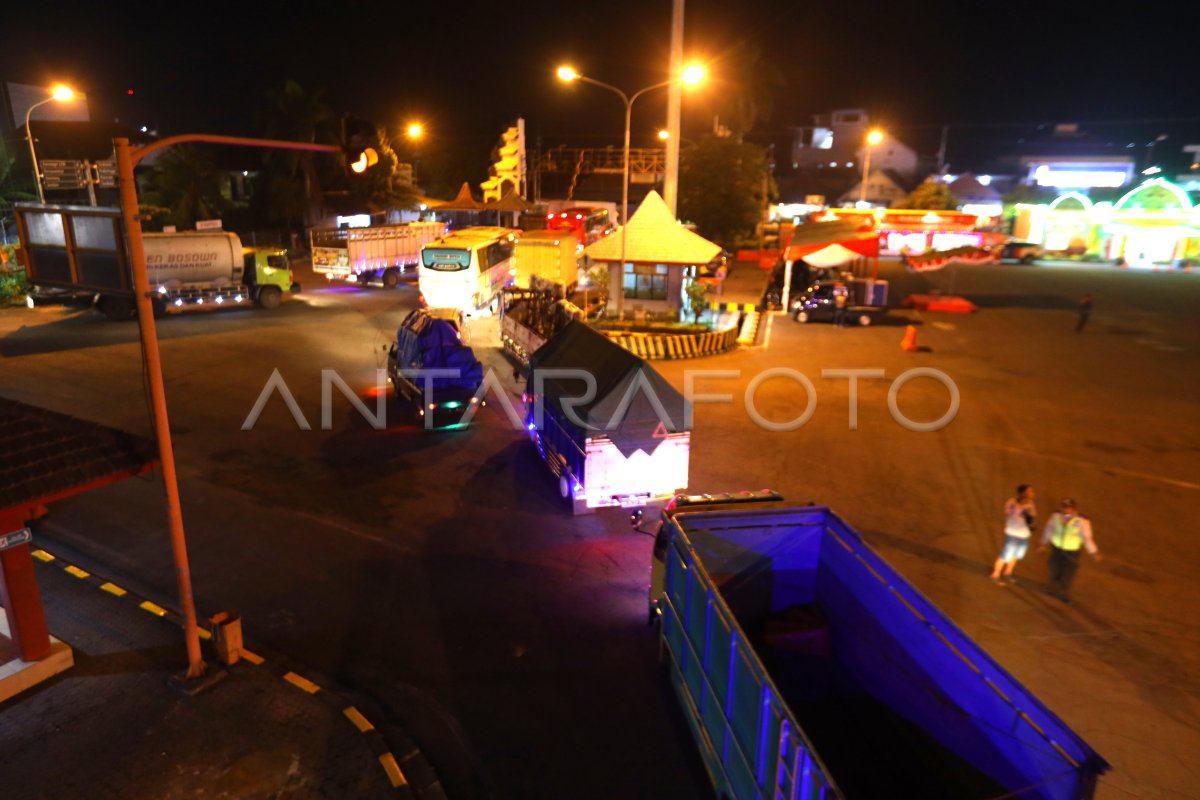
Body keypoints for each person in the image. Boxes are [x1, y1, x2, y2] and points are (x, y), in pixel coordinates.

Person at [1038, 499, 1102, 603]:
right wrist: (1043, 544)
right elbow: (1049, 530)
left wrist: (1093, 552)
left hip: (1072, 552)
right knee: (1053, 568)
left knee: (1068, 573)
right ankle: (1051, 587)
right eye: (1064, 507)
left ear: (1074, 510)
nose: (1066, 511)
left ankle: (1063, 592)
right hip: (1057, 549)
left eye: (1069, 508)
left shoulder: (1082, 521)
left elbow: (1086, 538)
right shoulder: (1055, 516)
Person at [990, 485, 1037, 585]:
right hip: (1012, 535)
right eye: (1029, 492)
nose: (1032, 494)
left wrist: (1030, 520)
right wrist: (1022, 507)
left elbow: (1032, 517)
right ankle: (995, 574)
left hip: (1024, 536)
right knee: (1004, 556)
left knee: (1015, 556)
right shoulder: (1011, 502)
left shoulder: (1031, 504)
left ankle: (1008, 573)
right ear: (1022, 493)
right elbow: (1010, 513)